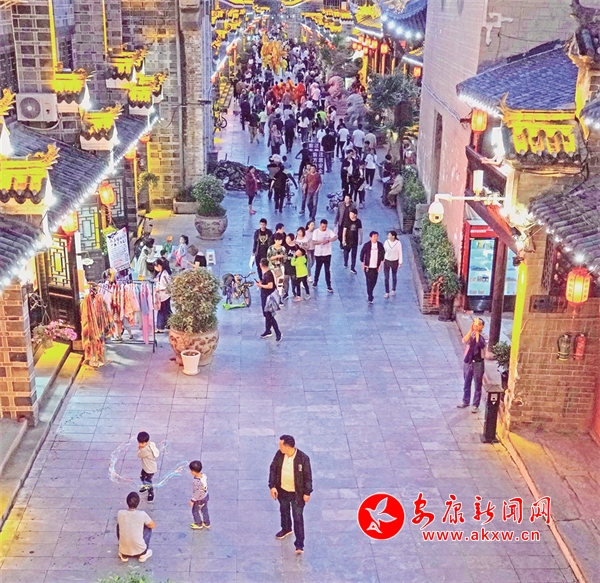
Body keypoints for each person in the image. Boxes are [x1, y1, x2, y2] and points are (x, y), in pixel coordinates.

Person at [269, 434, 313, 555]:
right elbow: (273, 469)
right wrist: (272, 486)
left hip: (297, 494)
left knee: (298, 517)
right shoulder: (279, 455)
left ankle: (299, 544)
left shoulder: (303, 459)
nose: (279, 447)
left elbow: (308, 477)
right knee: (284, 511)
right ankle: (286, 528)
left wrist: (307, 492)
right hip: (283, 490)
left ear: (287, 447)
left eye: (281, 445)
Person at [117, 492, 155, 563]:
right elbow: (153, 525)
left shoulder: (120, 513)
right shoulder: (142, 514)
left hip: (124, 551)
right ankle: (143, 555)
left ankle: (124, 555)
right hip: (140, 550)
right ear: (138, 503)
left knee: (119, 525)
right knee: (148, 526)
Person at [457, 318, 486, 413]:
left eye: (479, 324)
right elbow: (464, 340)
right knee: (466, 382)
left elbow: (479, 343)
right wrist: (471, 330)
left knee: (477, 384)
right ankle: (465, 401)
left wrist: (477, 331)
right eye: (475, 324)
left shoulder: (483, 336)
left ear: (482, 326)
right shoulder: (471, 334)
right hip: (468, 361)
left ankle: (475, 404)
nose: (476, 326)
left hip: (478, 363)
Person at [256, 258, 282, 341]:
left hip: (268, 298)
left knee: (269, 315)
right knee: (267, 315)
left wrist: (260, 285)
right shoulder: (267, 273)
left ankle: (278, 333)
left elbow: (270, 286)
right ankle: (268, 330)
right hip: (265, 297)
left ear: (261, 265)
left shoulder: (267, 275)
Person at [359, 231, 385, 304]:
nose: (375, 238)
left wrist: (380, 265)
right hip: (368, 267)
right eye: (374, 236)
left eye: (377, 236)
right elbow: (362, 254)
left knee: (374, 281)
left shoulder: (380, 245)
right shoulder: (367, 245)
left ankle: (370, 292)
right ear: (370, 237)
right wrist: (362, 264)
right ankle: (370, 296)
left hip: (376, 267)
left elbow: (382, 255)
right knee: (368, 281)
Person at [312, 219, 337, 293]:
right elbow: (313, 242)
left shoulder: (329, 231)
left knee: (327, 270)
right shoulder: (316, 232)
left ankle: (329, 285)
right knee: (318, 268)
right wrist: (321, 242)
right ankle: (315, 281)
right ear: (320, 225)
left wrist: (329, 240)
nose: (324, 228)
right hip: (318, 254)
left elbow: (335, 237)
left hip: (327, 253)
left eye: (325, 226)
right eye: (323, 227)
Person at [136, 431, 159, 502]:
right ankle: (145, 487)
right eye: (139, 443)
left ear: (146, 442)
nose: (140, 444)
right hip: (146, 467)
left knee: (148, 481)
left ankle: (151, 493)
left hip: (149, 469)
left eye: (142, 443)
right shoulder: (150, 444)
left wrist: (139, 448)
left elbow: (138, 455)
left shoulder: (145, 450)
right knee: (142, 477)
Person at [189, 460, 210, 530]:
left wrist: (192, 500)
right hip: (205, 496)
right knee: (204, 510)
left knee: (195, 511)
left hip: (199, 500)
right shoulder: (203, 476)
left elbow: (197, 493)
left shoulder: (196, 482)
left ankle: (198, 524)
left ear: (193, 472)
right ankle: (207, 523)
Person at [153, 259, 172, 332]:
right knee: (166, 311)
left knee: (161, 311)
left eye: (155, 266)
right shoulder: (162, 273)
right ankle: (170, 324)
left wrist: (159, 289)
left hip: (165, 295)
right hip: (164, 295)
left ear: (159, 266)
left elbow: (168, 285)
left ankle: (160, 327)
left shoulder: (164, 274)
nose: (155, 268)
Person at [383, 231, 402, 298]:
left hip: (395, 261)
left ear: (393, 236)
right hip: (387, 261)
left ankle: (393, 289)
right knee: (386, 277)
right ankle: (387, 292)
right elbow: (383, 251)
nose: (388, 236)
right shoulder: (386, 242)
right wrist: (382, 259)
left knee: (394, 276)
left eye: (389, 235)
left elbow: (400, 252)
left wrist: (400, 262)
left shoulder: (398, 243)